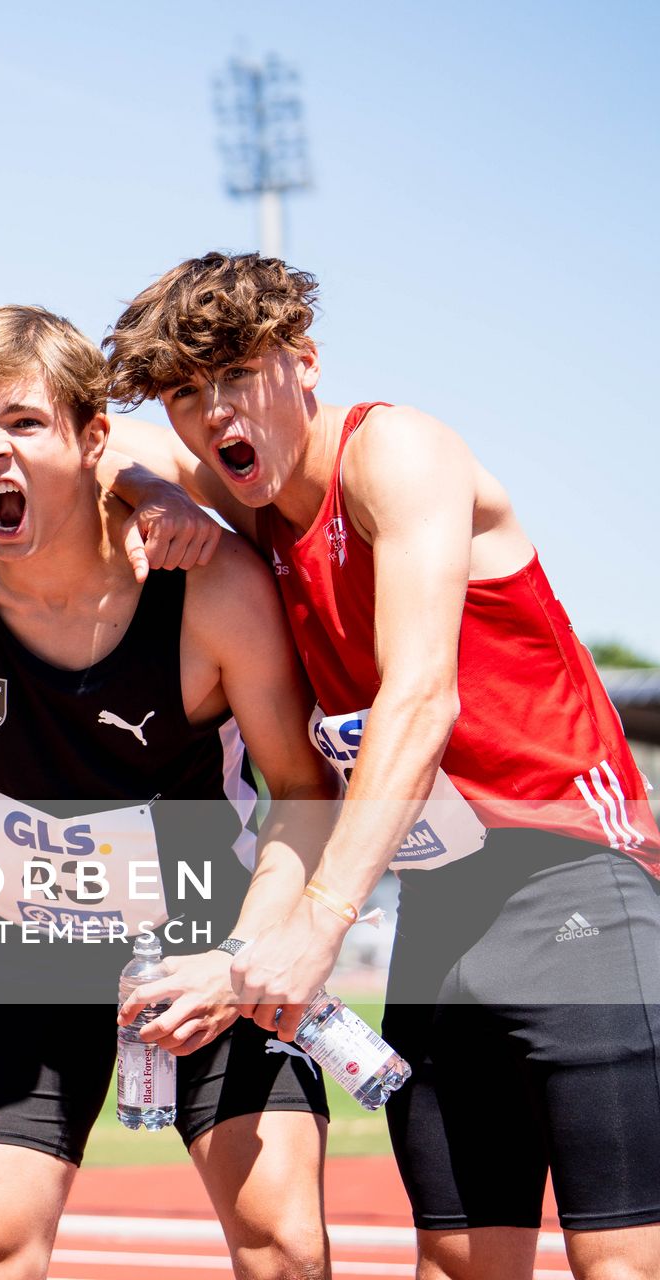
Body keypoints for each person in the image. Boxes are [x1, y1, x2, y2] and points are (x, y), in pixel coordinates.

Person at [96, 253, 660, 1280]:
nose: (212, 411)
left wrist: (316, 920)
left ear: (303, 362)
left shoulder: (395, 452)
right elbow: (82, 435)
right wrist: (143, 484)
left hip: (570, 875)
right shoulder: (248, 508)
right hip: (442, 905)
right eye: (186, 392)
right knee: (453, 1259)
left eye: (236, 374)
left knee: (620, 1260)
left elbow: (420, 702)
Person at [0, 306, 337, 1280]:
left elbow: (305, 789)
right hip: (27, 951)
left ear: (95, 439)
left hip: (204, 944)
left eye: (23, 424)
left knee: (284, 1241)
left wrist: (245, 955)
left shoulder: (209, 585)